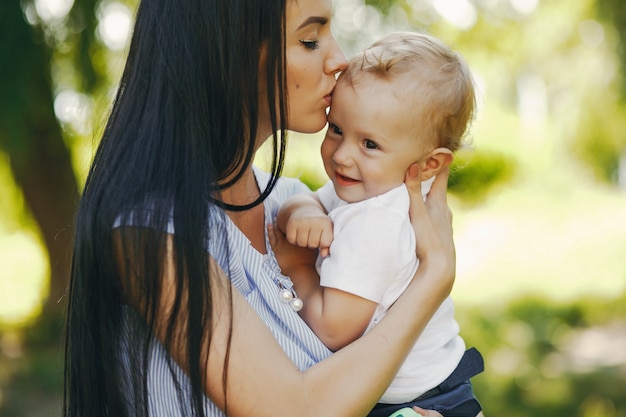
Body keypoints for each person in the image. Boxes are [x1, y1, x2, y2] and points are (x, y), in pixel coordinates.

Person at [63, 0, 458, 416]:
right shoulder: (154, 237)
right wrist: (435, 277)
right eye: (310, 39)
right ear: (229, 53)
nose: (340, 60)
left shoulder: (297, 204)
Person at [270, 32, 483, 417]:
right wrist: (301, 212)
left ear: (430, 165)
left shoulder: (379, 220)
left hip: (418, 403)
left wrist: (296, 265)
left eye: (369, 144)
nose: (343, 155)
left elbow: (334, 331)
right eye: (336, 129)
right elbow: (314, 198)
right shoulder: (367, 188)